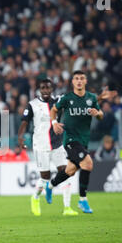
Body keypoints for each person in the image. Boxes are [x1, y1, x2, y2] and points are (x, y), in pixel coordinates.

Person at [45, 71, 105, 214]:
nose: (79, 81)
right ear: (72, 82)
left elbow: (101, 115)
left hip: (84, 140)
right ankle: (82, 200)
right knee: (88, 163)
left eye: (82, 78)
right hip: (71, 139)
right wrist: (54, 123)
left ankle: (50, 186)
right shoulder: (66, 98)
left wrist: (97, 114)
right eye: (76, 78)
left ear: (85, 81)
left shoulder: (91, 98)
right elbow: (53, 110)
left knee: (70, 171)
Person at [18, 79, 78, 216]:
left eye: (48, 88)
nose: (45, 90)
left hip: (57, 144)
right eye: (43, 88)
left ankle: (67, 208)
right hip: (41, 145)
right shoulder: (32, 105)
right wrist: (20, 138)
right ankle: (35, 197)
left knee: (66, 173)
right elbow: (24, 122)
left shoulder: (58, 101)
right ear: (39, 89)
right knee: (45, 177)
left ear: (52, 89)